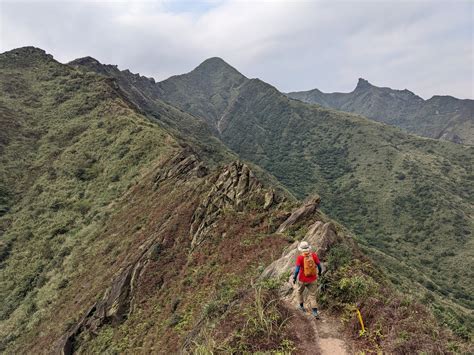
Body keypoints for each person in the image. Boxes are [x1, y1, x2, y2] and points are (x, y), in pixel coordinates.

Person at [292, 241, 322, 318]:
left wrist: (294, 278)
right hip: (313, 279)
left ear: (301, 249)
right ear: (308, 248)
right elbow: (319, 266)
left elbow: (297, 270)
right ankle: (315, 312)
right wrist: (319, 273)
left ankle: (301, 307)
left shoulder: (300, 257)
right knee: (312, 295)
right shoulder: (314, 255)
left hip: (302, 279)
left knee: (299, 292)